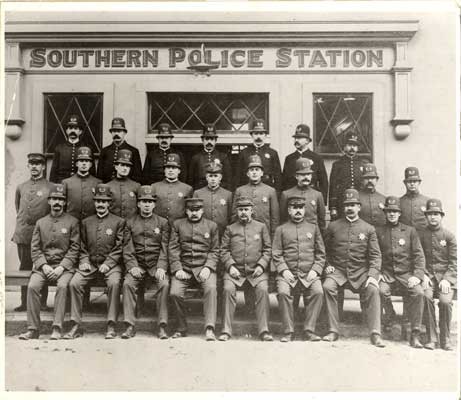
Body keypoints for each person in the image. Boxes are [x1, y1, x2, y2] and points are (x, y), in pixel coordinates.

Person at [64, 184, 131, 339]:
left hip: (111, 265)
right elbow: (81, 245)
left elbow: (120, 246)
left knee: (114, 283)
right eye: (98, 201)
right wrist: (84, 260)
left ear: (109, 203)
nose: (101, 204)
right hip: (91, 264)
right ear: (94, 203)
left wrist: (109, 263)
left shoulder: (119, 222)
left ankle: (111, 324)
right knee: (75, 283)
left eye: (104, 201)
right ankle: (76, 324)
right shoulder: (86, 222)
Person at [322, 189, 385, 347]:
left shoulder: (368, 229)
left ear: (359, 207)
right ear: (344, 208)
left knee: (373, 289)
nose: (350, 208)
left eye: (353, 205)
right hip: (338, 271)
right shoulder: (333, 226)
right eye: (347, 205)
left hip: (361, 272)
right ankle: (332, 330)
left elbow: (376, 256)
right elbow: (323, 251)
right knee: (328, 286)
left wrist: (372, 275)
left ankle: (375, 333)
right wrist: (327, 265)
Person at [18, 184, 80, 340]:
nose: (57, 202)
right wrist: (44, 266)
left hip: (64, 268)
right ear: (49, 201)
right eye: (54, 199)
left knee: (62, 286)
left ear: (65, 202)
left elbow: (74, 249)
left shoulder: (72, 222)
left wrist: (61, 267)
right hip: (43, 267)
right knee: (32, 287)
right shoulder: (41, 222)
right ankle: (33, 329)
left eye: (60, 199)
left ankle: (57, 327)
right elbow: (35, 248)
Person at [376, 196, 428, 349]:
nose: (392, 214)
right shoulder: (379, 231)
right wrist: (378, 272)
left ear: (399, 214)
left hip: (406, 275)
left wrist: (417, 276)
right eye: (389, 211)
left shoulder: (410, 231)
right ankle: (390, 317)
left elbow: (419, 256)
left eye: (395, 211)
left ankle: (415, 334)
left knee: (418, 293)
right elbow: (373, 254)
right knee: (380, 290)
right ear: (385, 213)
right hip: (387, 275)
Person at [219, 197, 273, 342]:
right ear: (237, 211)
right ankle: (226, 330)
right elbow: (223, 250)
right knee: (228, 289)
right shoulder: (230, 228)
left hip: (256, 271)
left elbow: (268, 249)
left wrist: (262, 265)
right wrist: (230, 266)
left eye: (246, 210)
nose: (243, 213)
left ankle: (264, 330)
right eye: (241, 210)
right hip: (235, 272)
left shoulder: (261, 227)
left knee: (263, 289)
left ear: (251, 211)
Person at [273, 196, 325, 342]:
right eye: (294, 208)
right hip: (287, 273)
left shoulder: (313, 228)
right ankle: (288, 331)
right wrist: (284, 270)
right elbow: (276, 253)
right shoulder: (281, 229)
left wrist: (315, 270)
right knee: (283, 292)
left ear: (304, 210)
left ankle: (309, 330)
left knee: (318, 291)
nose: (298, 211)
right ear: (289, 210)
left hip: (309, 272)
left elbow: (321, 253)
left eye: (300, 208)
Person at [121, 186, 170, 339]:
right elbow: (127, 248)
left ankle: (162, 325)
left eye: (150, 201)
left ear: (154, 204)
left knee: (164, 284)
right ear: (138, 204)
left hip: (156, 265)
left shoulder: (162, 222)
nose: (147, 204)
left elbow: (165, 247)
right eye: (143, 201)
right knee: (128, 284)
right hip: (138, 264)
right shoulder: (130, 222)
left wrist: (161, 266)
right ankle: (129, 325)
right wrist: (132, 266)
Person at [168, 198, 219, 340]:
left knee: (211, 289)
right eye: (191, 210)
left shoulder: (212, 226)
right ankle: (181, 328)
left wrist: (208, 267)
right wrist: (177, 268)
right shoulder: (178, 225)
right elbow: (173, 248)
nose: (194, 213)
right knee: (175, 293)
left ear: (202, 210)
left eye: (197, 210)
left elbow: (215, 250)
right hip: (184, 268)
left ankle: (209, 328)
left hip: (204, 268)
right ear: (186, 211)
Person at [12, 153, 53, 311]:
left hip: (43, 235)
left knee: (43, 267)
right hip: (23, 234)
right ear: (28, 166)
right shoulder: (21, 187)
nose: (35, 166)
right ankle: (24, 302)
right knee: (25, 267)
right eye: (32, 163)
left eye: (38, 163)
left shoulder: (51, 187)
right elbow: (19, 208)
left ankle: (42, 303)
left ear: (43, 166)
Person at [418, 199, 457, 351]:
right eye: (430, 214)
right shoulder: (420, 235)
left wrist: (447, 279)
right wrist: (423, 276)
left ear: (441, 216)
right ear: (426, 217)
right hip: (428, 277)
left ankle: (445, 338)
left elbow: (454, 262)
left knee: (445, 302)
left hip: (445, 279)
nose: (433, 217)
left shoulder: (449, 236)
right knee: (425, 297)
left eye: (436, 214)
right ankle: (431, 337)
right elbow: (417, 258)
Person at [233, 154, 280, 239]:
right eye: (251, 170)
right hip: (244, 233)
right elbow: (234, 215)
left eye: (257, 170)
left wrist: (273, 237)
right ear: (247, 173)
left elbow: (274, 218)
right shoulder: (240, 191)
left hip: (264, 234)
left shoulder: (270, 191)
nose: (254, 172)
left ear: (262, 173)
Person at [281, 124, 328, 202]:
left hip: (311, 198)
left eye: (299, 138)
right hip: (293, 197)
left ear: (307, 140)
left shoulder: (317, 158)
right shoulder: (289, 158)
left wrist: (322, 202)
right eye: (295, 138)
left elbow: (323, 182)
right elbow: (284, 182)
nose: (296, 140)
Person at [279, 157, 326, 236]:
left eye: (308, 174)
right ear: (296, 176)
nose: (306, 177)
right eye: (302, 174)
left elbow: (321, 221)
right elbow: (283, 219)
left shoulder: (317, 195)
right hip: (292, 235)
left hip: (312, 236)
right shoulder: (286, 194)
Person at [328, 130, 369, 220]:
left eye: (354, 146)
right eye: (349, 145)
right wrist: (333, 207)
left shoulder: (363, 164)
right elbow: (333, 187)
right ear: (344, 147)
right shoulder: (337, 164)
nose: (352, 148)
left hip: (359, 201)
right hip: (342, 202)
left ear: (357, 148)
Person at [235, 119, 282, 192]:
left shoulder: (272, 153)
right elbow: (238, 176)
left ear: (265, 135)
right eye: (256, 134)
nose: (258, 137)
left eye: (261, 133)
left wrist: (277, 193)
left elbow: (278, 177)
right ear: (252, 135)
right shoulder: (244, 153)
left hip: (267, 189)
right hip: (248, 189)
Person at [49, 115, 96, 183]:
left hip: (81, 183)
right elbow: (53, 172)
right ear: (67, 131)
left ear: (80, 131)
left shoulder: (88, 148)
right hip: (62, 183)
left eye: (76, 128)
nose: (72, 131)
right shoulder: (59, 148)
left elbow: (92, 172)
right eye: (70, 128)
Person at [192, 162, 233, 238]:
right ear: (206, 177)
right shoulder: (198, 193)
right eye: (210, 176)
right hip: (203, 232)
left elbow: (230, 216)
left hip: (222, 232)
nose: (213, 179)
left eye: (215, 176)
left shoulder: (228, 194)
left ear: (220, 178)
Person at [97, 117, 142, 183]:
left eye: (119, 131)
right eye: (114, 131)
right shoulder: (105, 151)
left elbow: (137, 176)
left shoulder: (133, 151)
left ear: (124, 133)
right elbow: (100, 175)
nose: (116, 134)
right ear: (111, 133)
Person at [188, 123, 232, 191]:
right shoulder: (196, 158)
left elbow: (228, 180)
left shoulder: (223, 157)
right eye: (207, 139)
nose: (209, 142)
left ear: (215, 141)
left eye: (212, 139)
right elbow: (191, 180)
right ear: (202, 140)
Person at [151, 153, 193, 223]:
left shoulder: (187, 189)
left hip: (178, 226)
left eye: (174, 168)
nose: (170, 170)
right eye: (168, 168)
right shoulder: (154, 187)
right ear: (164, 170)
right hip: (158, 226)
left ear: (179, 171)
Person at [62, 146, 102, 220]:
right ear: (76, 164)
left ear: (90, 164)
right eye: (81, 161)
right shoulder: (66, 182)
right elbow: (63, 206)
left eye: (87, 161)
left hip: (91, 222)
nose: (84, 163)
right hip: (71, 222)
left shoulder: (97, 183)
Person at [106, 149, 141, 220]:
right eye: (122, 165)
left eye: (128, 166)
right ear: (116, 167)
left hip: (131, 225)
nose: (125, 168)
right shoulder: (108, 186)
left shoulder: (136, 186)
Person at [358, 163, 386, 227]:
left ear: (377, 180)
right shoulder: (356, 198)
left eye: (372, 178)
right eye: (366, 178)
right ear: (362, 180)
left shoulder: (383, 199)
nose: (370, 181)